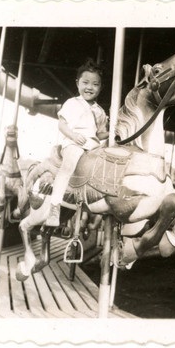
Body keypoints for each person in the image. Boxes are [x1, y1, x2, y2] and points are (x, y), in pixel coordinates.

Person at [45, 59, 109, 227]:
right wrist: (73, 136)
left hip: (93, 145)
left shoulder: (100, 111)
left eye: (95, 84)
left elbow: (100, 133)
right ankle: (54, 207)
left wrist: (112, 132)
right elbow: (61, 124)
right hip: (74, 143)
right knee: (68, 166)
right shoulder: (72, 103)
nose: (90, 87)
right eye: (85, 82)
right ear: (77, 83)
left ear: (101, 87)